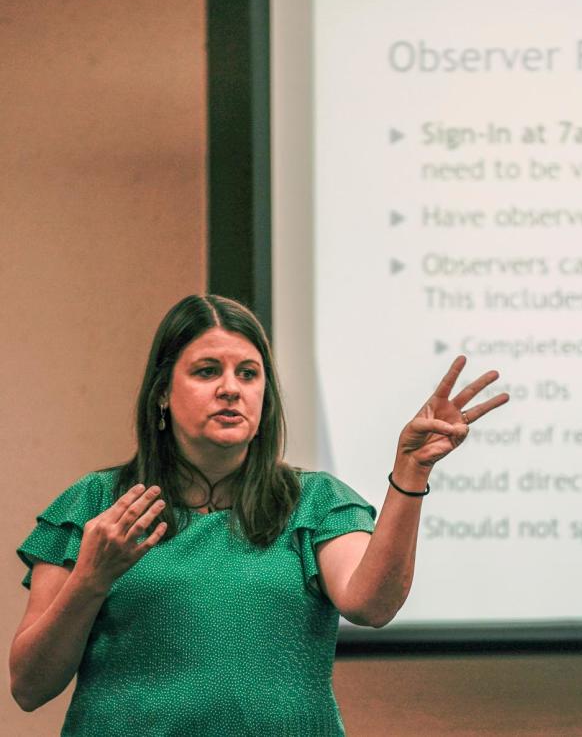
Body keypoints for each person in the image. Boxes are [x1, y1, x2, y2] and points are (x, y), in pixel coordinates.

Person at [9, 294, 508, 735]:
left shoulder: (314, 502)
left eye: (248, 373)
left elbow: (371, 605)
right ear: (162, 391)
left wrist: (411, 469)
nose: (231, 388)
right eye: (207, 371)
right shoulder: (97, 503)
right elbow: (29, 687)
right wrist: (90, 581)